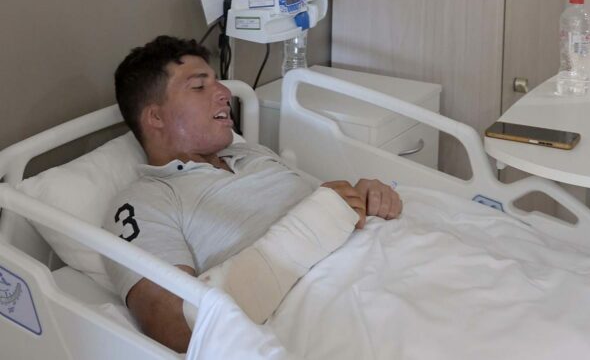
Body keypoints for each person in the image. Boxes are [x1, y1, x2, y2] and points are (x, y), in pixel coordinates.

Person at [103, 35, 403, 352]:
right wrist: (313, 227)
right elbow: (178, 326)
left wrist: (364, 197)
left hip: (390, 258)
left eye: (217, 81)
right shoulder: (142, 201)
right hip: (340, 307)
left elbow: (325, 207)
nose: (224, 93)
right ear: (155, 117)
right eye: (199, 86)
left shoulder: (251, 154)